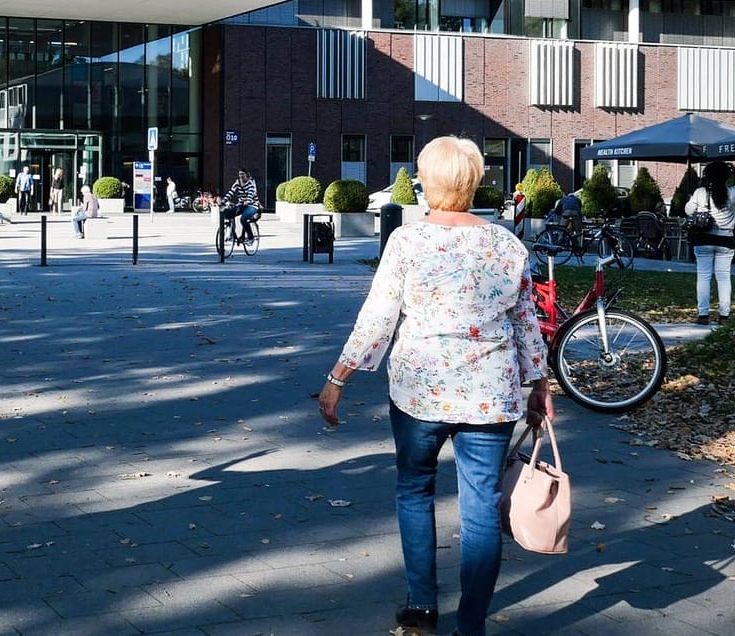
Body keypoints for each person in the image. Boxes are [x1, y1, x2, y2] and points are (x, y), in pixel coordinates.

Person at [318, 136, 551, 636]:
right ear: (474, 181)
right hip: (490, 393)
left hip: (420, 391)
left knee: (414, 489)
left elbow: (379, 316)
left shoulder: (408, 240)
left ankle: (422, 605)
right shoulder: (507, 244)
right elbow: (527, 323)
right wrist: (540, 382)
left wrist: (339, 377)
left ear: (427, 181)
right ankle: (472, 624)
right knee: (482, 505)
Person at [685, 160, 735, 325]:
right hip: (726, 239)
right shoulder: (734, 192)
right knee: (723, 278)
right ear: (727, 177)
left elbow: (688, 210)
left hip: (704, 239)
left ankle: (703, 315)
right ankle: (724, 316)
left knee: (703, 276)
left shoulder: (701, 192)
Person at [220, 169, 261, 234]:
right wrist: (224, 200)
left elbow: (251, 192)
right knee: (227, 213)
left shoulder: (250, 182)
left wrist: (248, 200)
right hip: (241, 204)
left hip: (252, 205)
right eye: (240, 174)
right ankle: (231, 232)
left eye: (242, 174)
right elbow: (231, 192)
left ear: (246, 175)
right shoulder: (237, 182)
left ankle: (251, 237)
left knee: (243, 219)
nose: (241, 176)